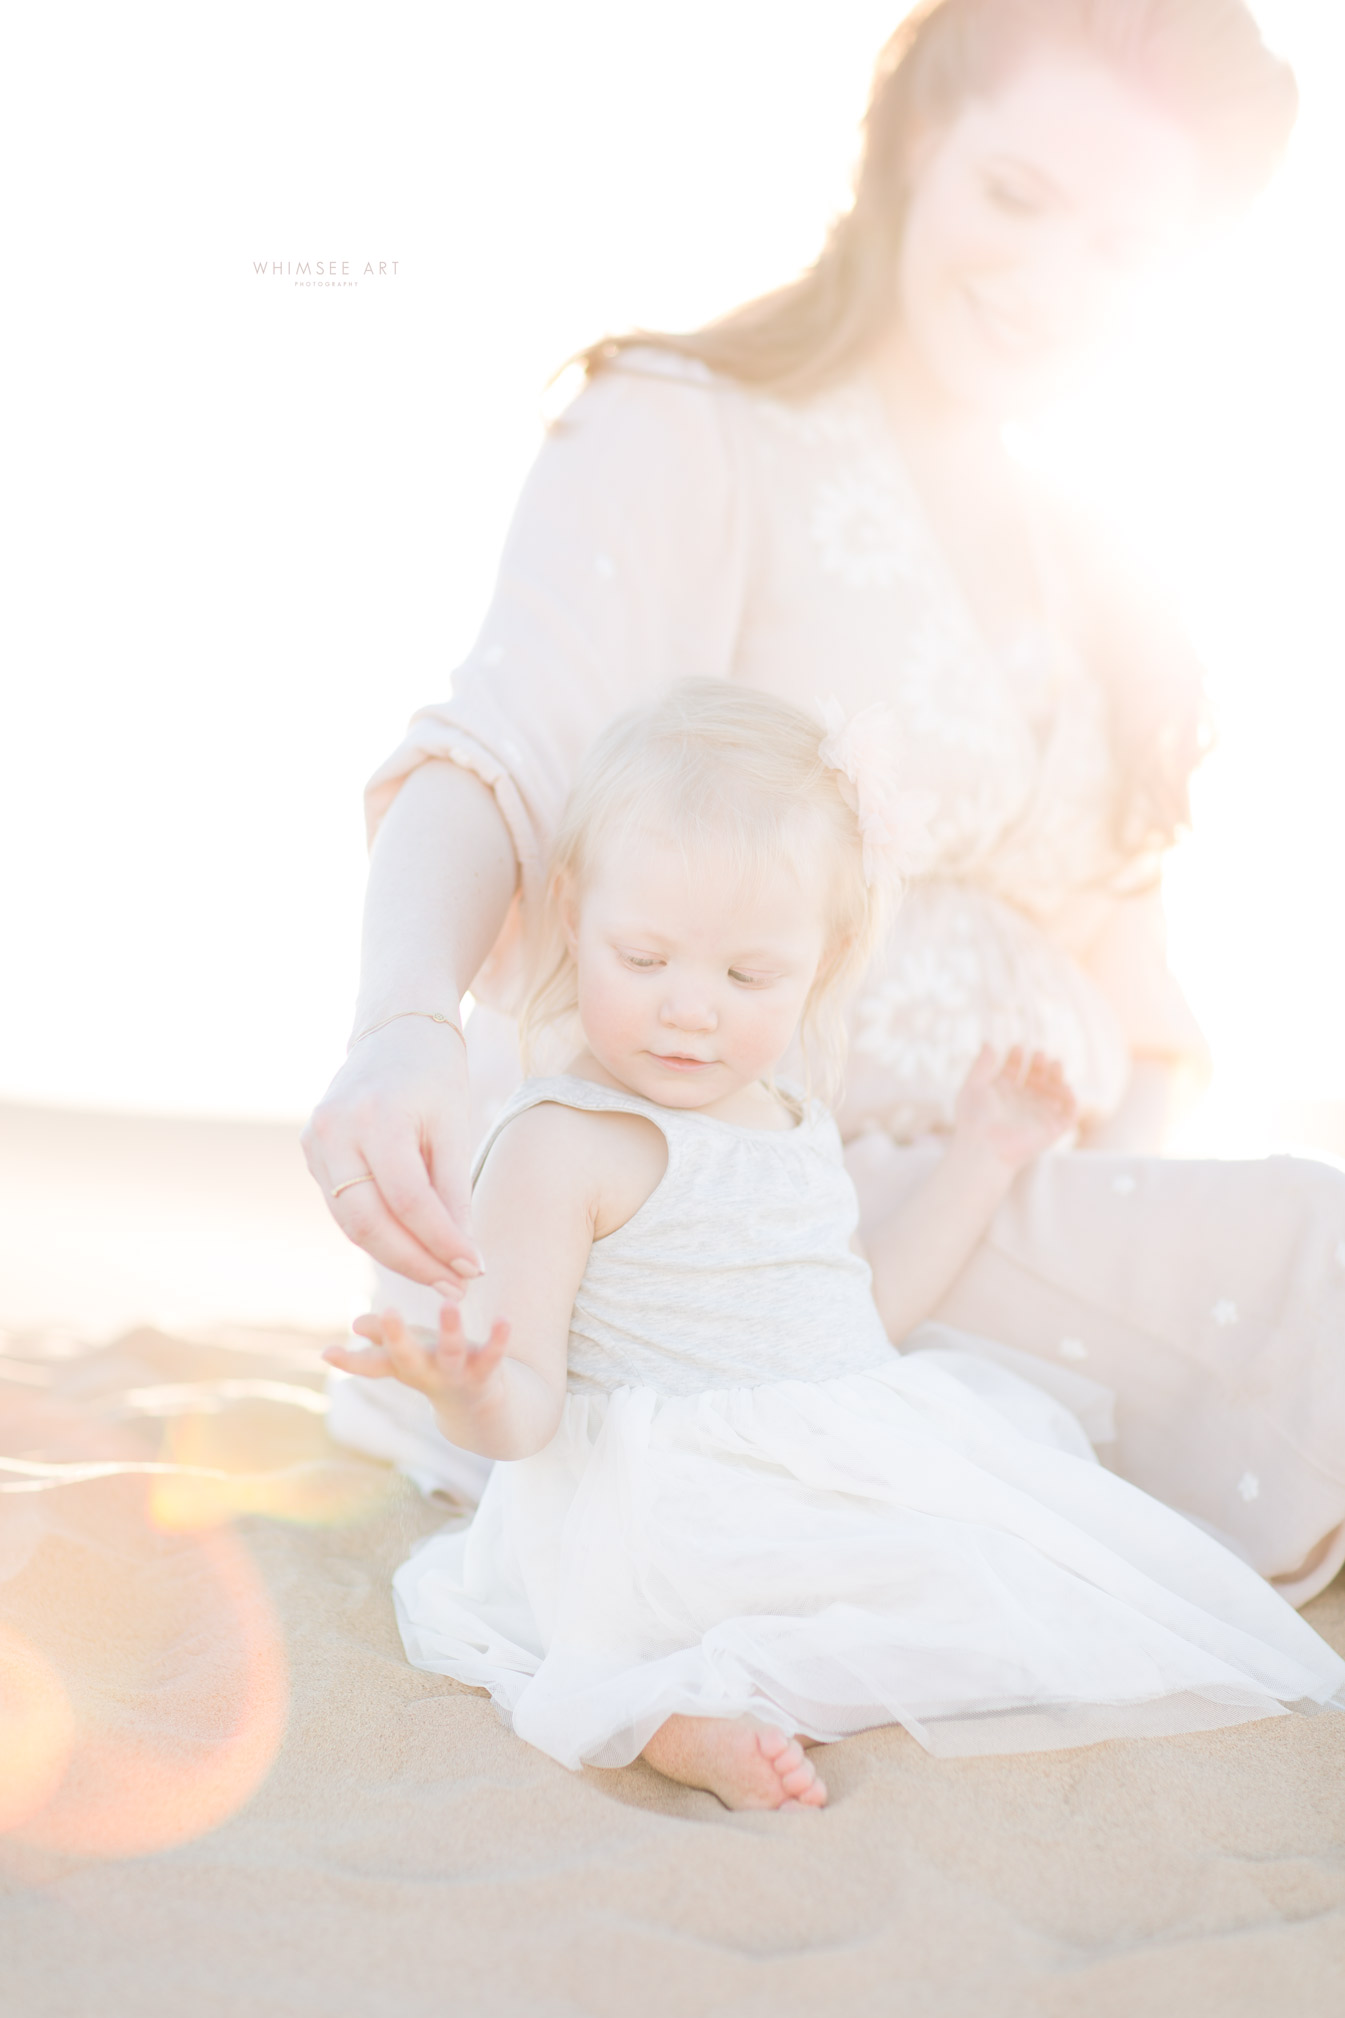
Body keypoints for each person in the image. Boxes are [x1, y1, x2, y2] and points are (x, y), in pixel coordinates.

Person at [305, 1, 1345, 1600]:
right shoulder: (690, 422)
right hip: (729, 1201)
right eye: (1016, 196)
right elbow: (500, 749)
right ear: (916, 145)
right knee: (1321, 1250)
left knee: (1282, 1244)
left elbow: (1138, 990)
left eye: (1126, 247)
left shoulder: (1103, 555)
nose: (1052, 281)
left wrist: (1092, 1167)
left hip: (995, 1183)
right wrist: (399, 1024)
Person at [322, 686, 1344, 1812]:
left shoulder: (788, 1108)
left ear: (825, 957)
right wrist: (463, 1387)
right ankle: (670, 1713)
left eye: (746, 975)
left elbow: (857, 1320)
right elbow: (524, 1413)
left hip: (835, 1445)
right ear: (569, 909)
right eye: (645, 957)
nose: (689, 1011)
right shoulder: (561, 1142)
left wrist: (985, 1157)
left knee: (1017, 1585)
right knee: (748, 1615)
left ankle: (705, 1690)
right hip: (668, 1506)